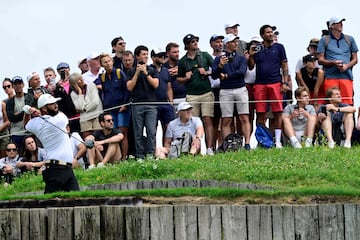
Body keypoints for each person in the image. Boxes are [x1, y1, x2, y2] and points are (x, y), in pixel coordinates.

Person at [24, 93, 80, 193]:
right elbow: (60, 115)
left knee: (75, 198)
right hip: (55, 169)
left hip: (66, 168)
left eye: (55, 103)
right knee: (49, 203)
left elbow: (27, 125)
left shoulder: (36, 123)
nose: (56, 105)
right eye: (52, 104)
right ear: (44, 108)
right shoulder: (60, 119)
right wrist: (36, 112)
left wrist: (28, 112)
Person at [248, 24, 290, 148]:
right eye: (267, 32)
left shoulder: (279, 47)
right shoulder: (258, 48)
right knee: (260, 113)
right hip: (260, 84)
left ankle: (277, 141)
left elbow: (285, 66)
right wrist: (251, 55)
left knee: (278, 112)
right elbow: (251, 66)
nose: (271, 34)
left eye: (271, 32)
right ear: (262, 35)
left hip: (276, 82)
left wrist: (285, 82)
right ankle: (263, 140)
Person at [212, 33, 251, 150]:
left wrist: (227, 75)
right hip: (225, 91)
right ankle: (227, 144)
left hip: (240, 89)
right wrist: (220, 66)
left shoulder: (241, 58)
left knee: (244, 117)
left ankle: (247, 143)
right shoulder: (219, 59)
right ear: (227, 44)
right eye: (233, 42)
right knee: (226, 119)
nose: (236, 44)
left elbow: (242, 72)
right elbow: (214, 75)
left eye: (236, 41)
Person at [177, 34, 215, 155]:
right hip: (192, 94)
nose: (195, 43)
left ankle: (210, 148)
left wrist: (207, 72)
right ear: (187, 45)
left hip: (206, 92)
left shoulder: (205, 55)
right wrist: (186, 78)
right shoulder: (182, 61)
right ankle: (195, 150)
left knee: (208, 119)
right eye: (192, 41)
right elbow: (179, 79)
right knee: (193, 122)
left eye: (196, 40)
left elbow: (216, 70)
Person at [127, 45, 159, 160]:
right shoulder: (131, 71)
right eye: (143, 54)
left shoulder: (152, 69)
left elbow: (155, 84)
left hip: (151, 104)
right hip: (137, 105)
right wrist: (137, 72)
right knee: (138, 132)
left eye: (147, 54)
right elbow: (129, 87)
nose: (146, 56)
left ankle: (150, 154)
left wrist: (145, 73)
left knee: (151, 131)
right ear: (137, 56)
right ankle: (139, 156)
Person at [317, 16, 358, 105]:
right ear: (332, 26)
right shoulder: (324, 40)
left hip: (346, 76)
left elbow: (355, 59)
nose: (341, 24)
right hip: (331, 76)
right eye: (338, 23)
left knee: (348, 104)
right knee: (331, 103)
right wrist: (333, 63)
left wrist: (346, 66)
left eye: (341, 22)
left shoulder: (349, 39)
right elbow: (320, 59)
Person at [96, 53, 130, 159]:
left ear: (112, 61)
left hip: (121, 108)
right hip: (110, 109)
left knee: (122, 133)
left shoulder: (120, 73)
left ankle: (124, 158)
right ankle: (116, 158)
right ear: (102, 65)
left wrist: (125, 104)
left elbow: (127, 89)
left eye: (109, 61)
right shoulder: (102, 77)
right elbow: (104, 92)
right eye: (105, 62)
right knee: (113, 134)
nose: (108, 64)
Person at [151, 48, 175, 145]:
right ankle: (153, 151)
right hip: (152, 103)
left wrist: (171, 101)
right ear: (153, 57)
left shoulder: (165, 71)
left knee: (168, 127)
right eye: (159, 56)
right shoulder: (149, 69)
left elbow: (169, 87)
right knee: (153, 129)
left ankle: (166, 149)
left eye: (163, 56)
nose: (162, 58)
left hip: (165, 103)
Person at [69, 72, 103, 138]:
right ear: (74, 84)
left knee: (99, 138)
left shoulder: (91, 85)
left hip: (96, 115)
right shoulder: (73, 94)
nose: (81, 80)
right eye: (78, 80)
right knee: (88, 140)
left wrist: (85, 109)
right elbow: (80, 107)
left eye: (80, 78)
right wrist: (80, 93)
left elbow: (95, 102)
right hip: (85, 119)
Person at [6, 76, 34, 151]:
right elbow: (12, 118)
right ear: (13, 86)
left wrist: (19, 113)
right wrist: (26, 111)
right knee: (17, 155)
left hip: (29, 132)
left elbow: (33, 113)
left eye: (20, 83)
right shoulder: (10, 101)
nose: (18, 86)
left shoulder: (29, 97)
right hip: (16, 133)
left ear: (23, 85)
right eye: (15, 84)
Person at [54, 62, 80, 133]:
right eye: (61, 70)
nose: (63, 71)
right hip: (67, 116)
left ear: (69, 69)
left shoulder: (75, 80)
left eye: (65, 69)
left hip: (78, 113)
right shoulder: (57, 85)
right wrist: (58, 88)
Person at [208, 34, 224, 148]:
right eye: (217, 42)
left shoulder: (227, 56)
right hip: (213, 91)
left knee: (227, 119)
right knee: (214, 120)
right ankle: (212, 147)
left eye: (221, 42)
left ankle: (223, 145)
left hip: (225, 89)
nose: (219, 44)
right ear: (211, 44)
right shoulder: (208, 58)